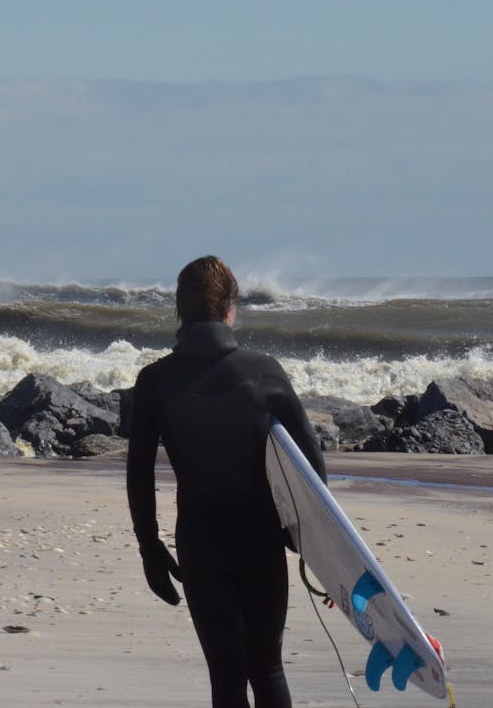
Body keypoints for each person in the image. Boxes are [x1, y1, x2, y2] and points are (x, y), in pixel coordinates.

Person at [126, 255, 326, 708]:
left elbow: (138, 474)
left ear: (180, 310)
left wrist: (150, 550)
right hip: (260, 540)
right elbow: (312, 463)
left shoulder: (154, 381)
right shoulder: (265, 370)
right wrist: (306, 535)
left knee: (226, 675)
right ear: (231, 309)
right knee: (267, 667)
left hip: (200, 543)